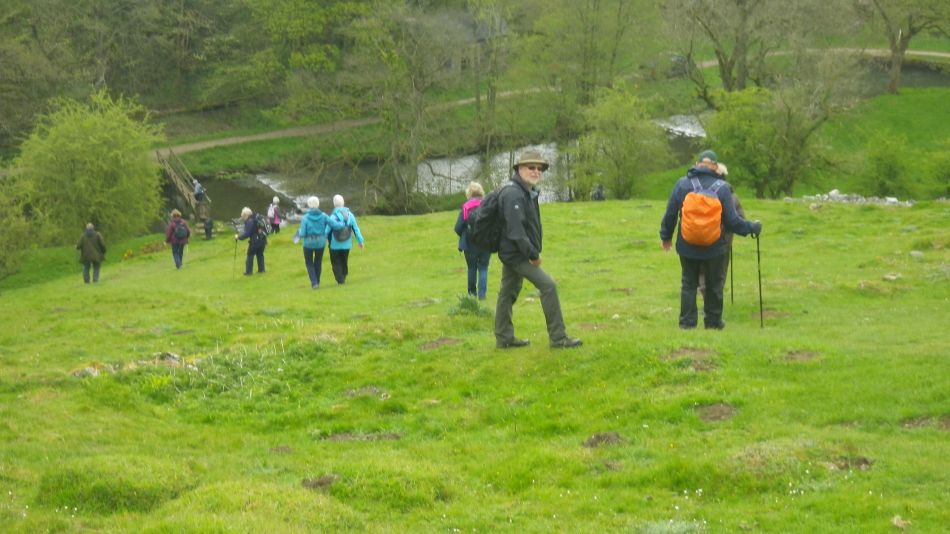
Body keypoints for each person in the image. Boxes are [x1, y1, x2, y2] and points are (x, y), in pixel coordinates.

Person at [659, 150, 762, 330]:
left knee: (689, 284)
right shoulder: (722, 188)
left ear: (697, 164)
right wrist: (752, 228)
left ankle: (687, 324)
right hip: (714, 247)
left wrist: (666, 236)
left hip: (687, 245)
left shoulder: (683, 185)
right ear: (715, 167)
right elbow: (732, 221)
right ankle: (713, 323)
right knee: (714, 285)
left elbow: (670, 213)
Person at [495, 150, 582, 349]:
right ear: (519, 169)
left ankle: (504, 338)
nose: (536, 171)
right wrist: (533, 255)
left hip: (512, 252)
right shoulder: (514, 194)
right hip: (517, 254)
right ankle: (559, 338)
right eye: (531, 167)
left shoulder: (524, 190)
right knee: (548, 285)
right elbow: (516, 232)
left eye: (539, 168)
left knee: (507, 292)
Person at [698, 162, 744, 300]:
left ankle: (708, 299)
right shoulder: (731, 195)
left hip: (702, 238)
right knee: (719, 271)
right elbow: (740, 218)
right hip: (723, 241)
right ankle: (713, 302)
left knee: (702, 270)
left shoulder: (699, 191)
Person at [295, 196, 344, 289]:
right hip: (321, 243)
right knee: (318, 262)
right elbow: (335, 225)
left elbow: (303, 233)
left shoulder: (305, 218)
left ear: (309, 205)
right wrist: (343, 223)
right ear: (318, 204)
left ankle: (314, 283)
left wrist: (298, 233)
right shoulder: (324, 216)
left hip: (308, 243)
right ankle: (317, 281)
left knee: (309, 263)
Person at [454, 182, 491, 300]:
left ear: (469, 193)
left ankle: (471, 294)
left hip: (470, 244)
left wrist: (465, 234)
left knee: (472, 268)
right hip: (486, 242)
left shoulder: (466, 206)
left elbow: (457, 227)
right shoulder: (488, 205)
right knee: (483, 268)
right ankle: (482, 295)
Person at [327, 194, 364, 284]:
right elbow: (356, 229)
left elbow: (326, 231)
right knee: (344, 260)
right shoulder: (350, 216)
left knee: (335, 262)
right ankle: (343, 275)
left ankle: (340, 279)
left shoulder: (332, 217)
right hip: (347, 244)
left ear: (334, 204)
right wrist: (360, 241)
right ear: (343, 203)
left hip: (334, 245)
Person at [235, 207, 266, 275]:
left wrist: (239, 237)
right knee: (260, 254)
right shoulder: (256, 218)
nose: (243, 218)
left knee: (250, 255)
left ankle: (249, 272)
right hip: (263, 240)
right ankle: (261, 270)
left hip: (255, 241)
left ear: (246, 215)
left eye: (243, 216)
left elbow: (247, 233)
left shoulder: (250, 221)